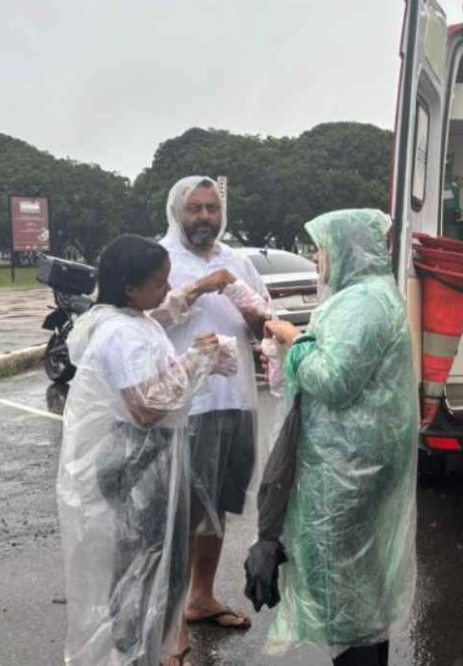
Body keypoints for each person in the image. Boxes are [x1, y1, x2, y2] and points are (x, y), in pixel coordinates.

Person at [247, 209, 417, 666]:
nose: (318, 259)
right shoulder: (366, 296)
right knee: (357, 582)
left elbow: (335, 380)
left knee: (344, 588)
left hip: (347, 467)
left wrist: (292, 337)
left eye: (322, 248)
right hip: (355, 460)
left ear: (346, 249)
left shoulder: (363, 301)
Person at [57, 234, 233, 666]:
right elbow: (146, 408)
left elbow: (158, 382)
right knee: (144, 567)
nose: (166, 291)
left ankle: (150, 650)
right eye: (159, 283)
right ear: (129, 287)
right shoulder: (121, 333)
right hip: (136, 460)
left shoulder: (135, 320)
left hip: (149, 457)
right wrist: (195, 361)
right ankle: (135, 653)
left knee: (158, 563)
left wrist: (203, 362)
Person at [159, 176, 269, 631]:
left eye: (212, 208)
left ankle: (201, 598)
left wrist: (255, 317)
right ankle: (168, 626)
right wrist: (202, 287)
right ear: (176, 212)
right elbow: (145, 319)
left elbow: (264, 328)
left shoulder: (238, 261)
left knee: (217, 504)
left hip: (236, 398)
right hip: (187, 405)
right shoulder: (160, 258)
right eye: (195, 209)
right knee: (180, 511)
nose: (205, 217)